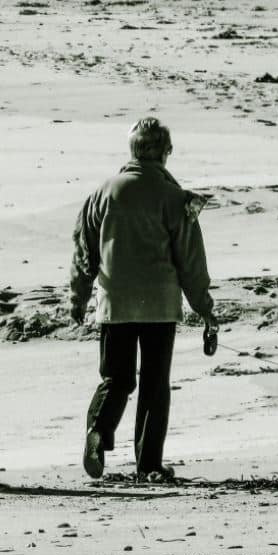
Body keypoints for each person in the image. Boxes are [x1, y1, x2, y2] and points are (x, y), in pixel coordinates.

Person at [69, 117, 218, 482]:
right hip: (159, 304)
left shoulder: (104, 192)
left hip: (114, 302)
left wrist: (79, 298)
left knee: (116, 378)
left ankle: (99, 432)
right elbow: (190, 261)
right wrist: (205, 309)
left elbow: (84, 251)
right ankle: (148, 463)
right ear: (165, 153)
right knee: (154, 383)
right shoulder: (174, 197)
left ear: (133, 151)